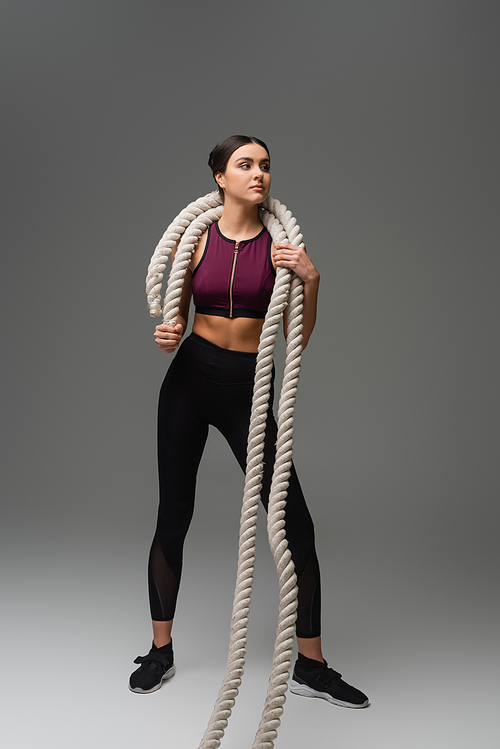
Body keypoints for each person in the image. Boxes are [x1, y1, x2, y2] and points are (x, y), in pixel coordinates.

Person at [129, 135, 369, 709]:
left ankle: (311, 664)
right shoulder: (197, 239)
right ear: (220, 176)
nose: (258, 174)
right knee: (173, 516)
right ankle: (160, 650)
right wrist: (167, 333)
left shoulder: (282, 249)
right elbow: (176, 319)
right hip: (190, 381)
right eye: (245, 165)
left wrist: (311, 280)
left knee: (295, 525)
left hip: (249, 386)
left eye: (265, 165)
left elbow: (297, 340)